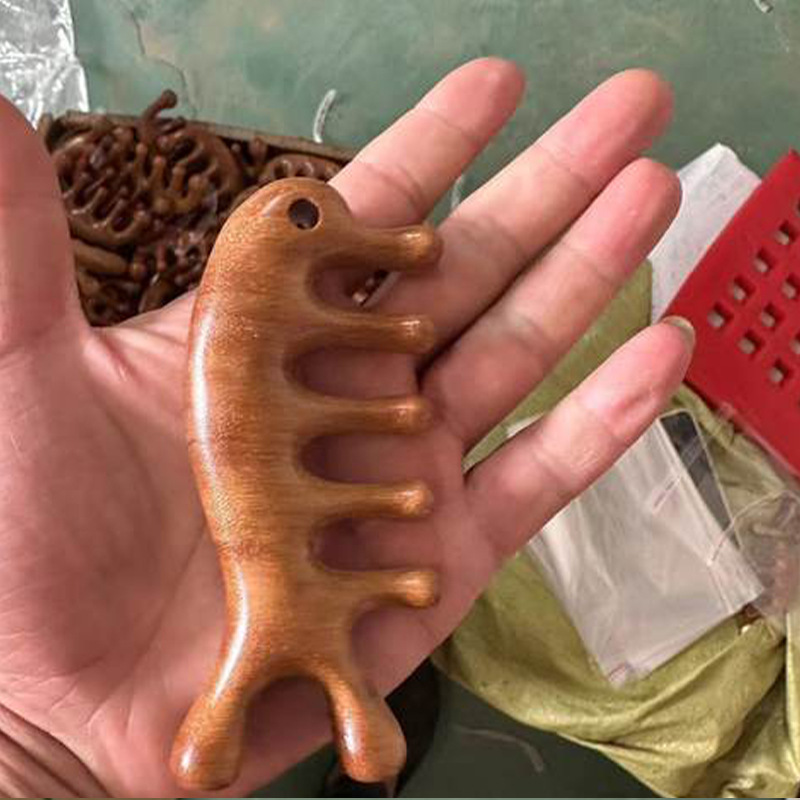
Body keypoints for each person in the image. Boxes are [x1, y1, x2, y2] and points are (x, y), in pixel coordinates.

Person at [0, 57, 693, 797]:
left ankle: (317, 710)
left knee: (295, 658)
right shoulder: (244, 335)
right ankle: (334, 710)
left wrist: (42, 760)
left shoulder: (251, 331)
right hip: (274, 567)